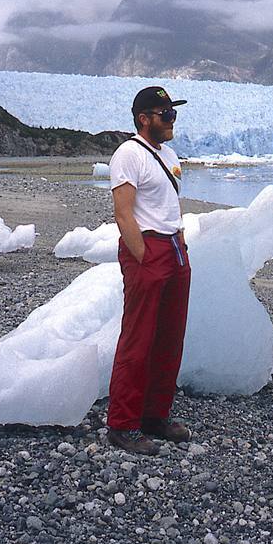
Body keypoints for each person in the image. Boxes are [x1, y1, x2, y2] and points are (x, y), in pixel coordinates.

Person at [106, 86, 191, 455]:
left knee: (170, 338)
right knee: (138, 339)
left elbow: (170, 204)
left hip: (174, 248)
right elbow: (124, 212)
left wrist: (181, 243)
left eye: (173, 113)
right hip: (149, 248)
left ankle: (155, 415)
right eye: (165, 114)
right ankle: (122, 424)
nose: (172, 119)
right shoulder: (128, 154)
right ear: (144, 118)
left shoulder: (168, 153)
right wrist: (142, 256)